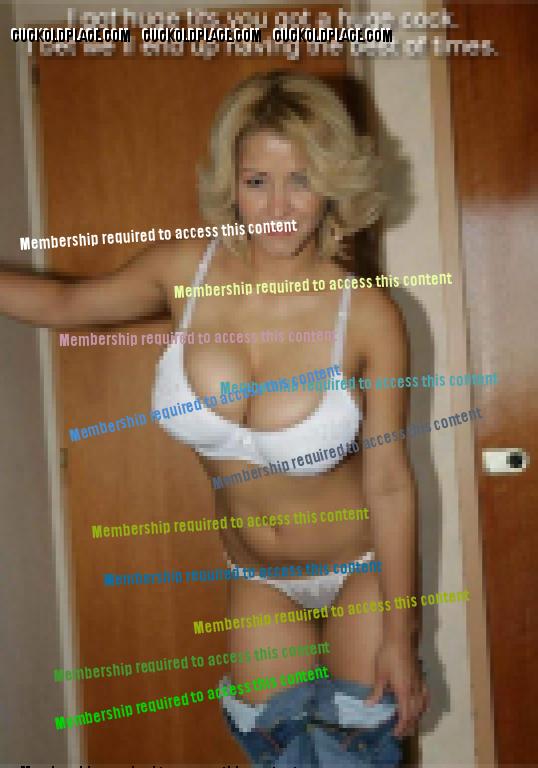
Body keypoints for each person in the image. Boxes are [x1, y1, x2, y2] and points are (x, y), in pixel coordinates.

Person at [0, 71, 427, 766]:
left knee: (355, 752)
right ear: (232, 183)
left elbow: (388, 482)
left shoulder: (367, 313)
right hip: (257, 575)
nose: (279, 207)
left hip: (360, 567)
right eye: (258, 181)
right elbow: (63, 306)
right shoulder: (184, 274)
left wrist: (401, 636)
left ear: (333, 182)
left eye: (301, 180)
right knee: (281, 753)